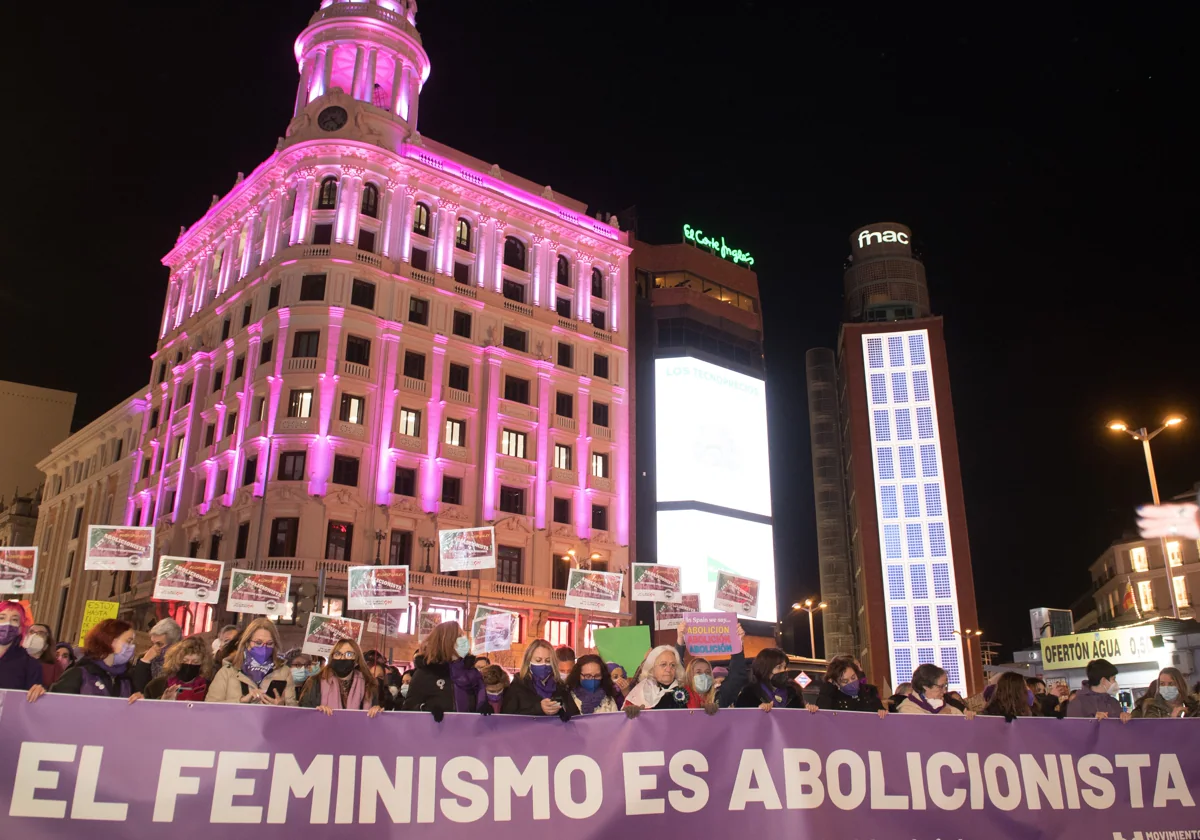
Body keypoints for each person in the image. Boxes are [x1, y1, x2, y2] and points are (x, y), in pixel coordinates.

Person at [32, 619, 143, 701]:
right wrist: (41, 695)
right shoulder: (79, 674)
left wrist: (139, 702)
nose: (132, 647)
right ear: (111, 640)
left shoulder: (127, 679)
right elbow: (55, 705)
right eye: (128, 641)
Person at [403, 621, 487, 719]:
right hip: (437, 731)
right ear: (446, 641)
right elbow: (408, 709)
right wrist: (425, 709)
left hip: (468, 731)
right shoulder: (425, 674)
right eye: (459, 636)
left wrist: (485, 707)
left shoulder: (472, 673)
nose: (464, 639)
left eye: (463, 635)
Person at [206, 617, 296, 705]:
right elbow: (210, 707)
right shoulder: (227, 672)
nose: (263, 648)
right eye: (258, 643)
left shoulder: (284, 672)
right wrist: (240, 701)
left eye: (269, 643)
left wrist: (282, 707)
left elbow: (294, 712)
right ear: (247, 643)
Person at [300, 639, 384, 717]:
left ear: (357, 659)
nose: (342, 658)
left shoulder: (368, 685)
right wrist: (316, 712)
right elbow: (303, 715)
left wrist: (376, 712)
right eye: (338, 654)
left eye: (349, 654)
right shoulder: (314, 682)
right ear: (332, 657)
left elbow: (374, 720)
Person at [675, 623, 750, 709]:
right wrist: (680, 640)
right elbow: (676, 671)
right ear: (689, 675)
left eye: (707, 672)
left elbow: (736, 677)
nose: (704, 676)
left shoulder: (719, 697)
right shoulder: (680, 696)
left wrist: (737, 644)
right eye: (698, 672)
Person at [502, 639, 578, 718]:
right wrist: (539, 708)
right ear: (528, 661)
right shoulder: (517, 686)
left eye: (548, 660)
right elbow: (507, 718)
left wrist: (562, 711)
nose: (544, 664)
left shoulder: (560, 687)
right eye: (538, 660)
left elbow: (574, 715)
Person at [735, 647, 810, 711]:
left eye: (785, 667)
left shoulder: (793, 692)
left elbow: (801, 721)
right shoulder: (749, 694)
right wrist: (757, 712)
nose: (784, 671)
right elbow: (741, 720)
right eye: (779, 667)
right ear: (765, 669)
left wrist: (809, 710)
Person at [143, 635, 213, 701]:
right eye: (185, 660)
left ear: (203, 664)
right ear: (176, 661)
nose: (189, 664)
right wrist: (162, 700)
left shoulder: (210, 688)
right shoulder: (155, 686)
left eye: (195, 662)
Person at [624, 645, 689, 714]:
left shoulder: (685, 690)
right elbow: (624, 720)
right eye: (663, 664)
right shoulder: (641, 691)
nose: (668, 669)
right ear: (652, 667)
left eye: (672, 665)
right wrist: (631, 714)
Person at [816, 655, 887, 717]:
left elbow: (881, 712)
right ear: (836, 683)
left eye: (853, 678)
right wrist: (828, 685)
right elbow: (822, 713)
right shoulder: (832, 697)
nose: (851, 683)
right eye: (845, 681)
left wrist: (883, 713)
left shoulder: (870, 691)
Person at [1065, 659, 1130, 722]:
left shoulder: (1114, 702)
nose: (1115, 682)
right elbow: (1074, 729)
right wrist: (1092, 720)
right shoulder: (1078, 703)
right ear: (1103, 681)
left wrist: (1125, 717)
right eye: (1113, 679)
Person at [896, 664, 971, 717]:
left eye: (945, 685)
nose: (945, 691)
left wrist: (969, 719)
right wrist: (938, 718)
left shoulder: (949, 707)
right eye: (940, 687)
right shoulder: (907, 709)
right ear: (925, 687)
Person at [0, 600, 43, 691]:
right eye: (2, 618)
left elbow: (31, 701)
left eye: (14, 619)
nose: (8, 623)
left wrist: (38, 691)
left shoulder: (30, 665)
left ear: (20, 628)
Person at [1133, 667, 1198, 718]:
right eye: (1162, 684)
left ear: (1180, 685)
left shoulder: (1194, 706)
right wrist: (1172, 719)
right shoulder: (1153, 708)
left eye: (1171, 684)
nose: (1166, 687)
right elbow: (1153, 732)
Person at [24, 622, 65, 688]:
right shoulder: (14, 661)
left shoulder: (55, 667)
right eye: (31, 632)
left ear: (46, 645)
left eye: (41, 633)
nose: (35, 635)